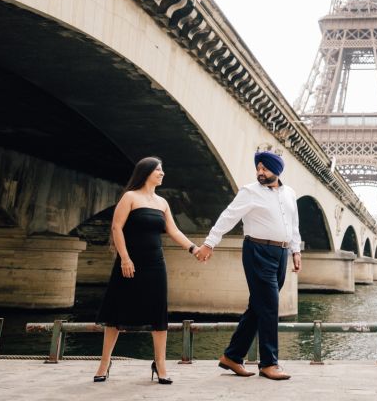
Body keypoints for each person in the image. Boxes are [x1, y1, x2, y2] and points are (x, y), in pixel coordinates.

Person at [195, 150, 302, 381]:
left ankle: (232, 356)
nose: (259, 172)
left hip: (281, 252)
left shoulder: (290, 193)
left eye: (264, 168)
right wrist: (209, 243)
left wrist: (296, 250)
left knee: (259, 306)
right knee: (270, 306)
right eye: (258, 168)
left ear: (277, 170)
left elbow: (293, 224)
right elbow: (228, 216)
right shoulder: (249, 191)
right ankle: (269, 363)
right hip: (258, 251)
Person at [94, 156, 200, 384]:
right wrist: (124, 258)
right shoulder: (130, 197)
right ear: (146, 172)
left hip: (155, 264)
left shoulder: (162, 203)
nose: (162, 173)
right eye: (159, 170)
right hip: (129, 262)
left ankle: (160, 365)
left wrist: (194, 248)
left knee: (158, 314)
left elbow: (173, 230)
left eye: (162, 170)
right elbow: (116, 227)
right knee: (116, 312)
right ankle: (104, 363)